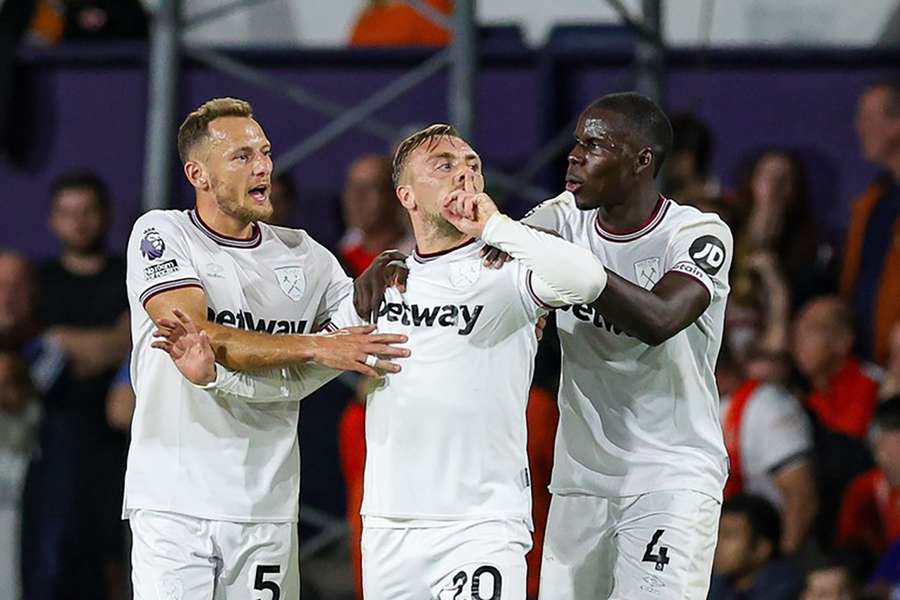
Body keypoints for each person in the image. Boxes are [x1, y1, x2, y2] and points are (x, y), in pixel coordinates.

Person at [155, 123, 610, 599]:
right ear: (407, 196)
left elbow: (587, 280)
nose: (464, 175)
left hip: (479, 525)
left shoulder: (506, 272)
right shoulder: (381, 287)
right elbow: (297, 384)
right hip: (389, 527)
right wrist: (212, 380)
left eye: (472, 165)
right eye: (444, 165)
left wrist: (495, 226)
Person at [123, 97, 410, 600]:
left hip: (266, 510)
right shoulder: (162, 233)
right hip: (174, 504)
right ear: (199, 173)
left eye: (266, 152)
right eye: (241, 156)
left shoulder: (304, 254)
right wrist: (316, 347)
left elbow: (364, 328)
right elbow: (198, 333)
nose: (263, 167)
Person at [510, 92, 732, 599]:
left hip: (671, 476)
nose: (574, 155)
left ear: (640, 160)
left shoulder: (697, 231)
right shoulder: (563, 219)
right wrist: (402, 256)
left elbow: (661, 319)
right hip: (579, 481)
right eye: (575, 144)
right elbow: (489, 270)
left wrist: (580, 276)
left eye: (594, 145)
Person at [21, 170, 131, 600]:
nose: (79, 222)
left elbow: (133, 343)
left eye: (88, 212)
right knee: (52, 555)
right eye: (68, 213)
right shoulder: (38, 283)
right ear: (52, 220)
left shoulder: (129, 277)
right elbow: (34, 350)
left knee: (114, 556)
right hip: (51, 440)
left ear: (105, 216)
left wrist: (67, 341)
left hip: (119, 438)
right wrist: (117, 340)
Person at [719, 369, 817, 554]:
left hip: (769, 550)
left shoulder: (767, 406)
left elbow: (801, 497)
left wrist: (783, 562)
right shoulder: (702, 405)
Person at [842, 79, 900, 365]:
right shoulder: (873, 201)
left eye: (867, 118)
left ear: (896, 124)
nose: (859, 128)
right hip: (865, 363)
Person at [835, 396, 900, 559]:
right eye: (875, 446)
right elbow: (849, 550)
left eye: (882, 444)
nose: (879, 456)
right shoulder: (866, 488)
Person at [708, 494, 802, 600]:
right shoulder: (716, 582)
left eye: (729, 536)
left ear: (761, 548)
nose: (717, 545)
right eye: (717, 534)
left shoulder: (786, 589)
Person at [339, 153, 414, 277]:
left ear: (396, 197)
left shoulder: (418, 263)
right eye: (352, 187)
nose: (357, 197)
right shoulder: (334, 255)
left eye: (371, 187)